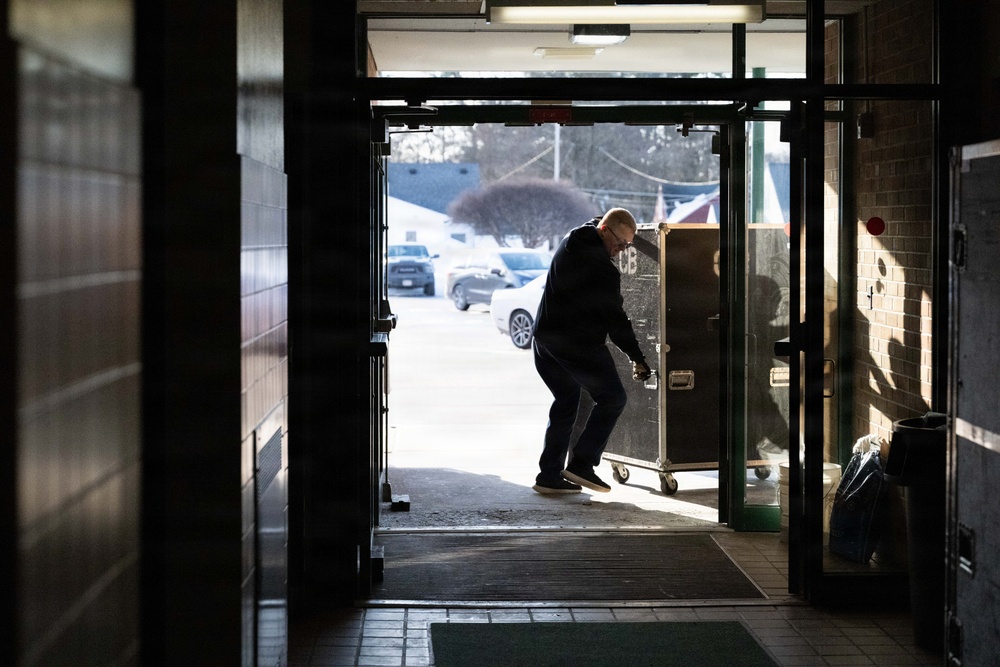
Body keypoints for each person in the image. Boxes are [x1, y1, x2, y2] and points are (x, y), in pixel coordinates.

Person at [531, 208, 652, 494]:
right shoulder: (602, 270)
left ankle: (548, 476)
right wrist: (637, 357)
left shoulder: (573, 237)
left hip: (544, 341)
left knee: (566, 400)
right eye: (620, 244)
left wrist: (608, 220)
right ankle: (582, 464)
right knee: (613, 398)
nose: (621, 251)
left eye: (627, 246)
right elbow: (616, 322)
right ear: (604, 232)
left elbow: (598, 219)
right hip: (575, 344)